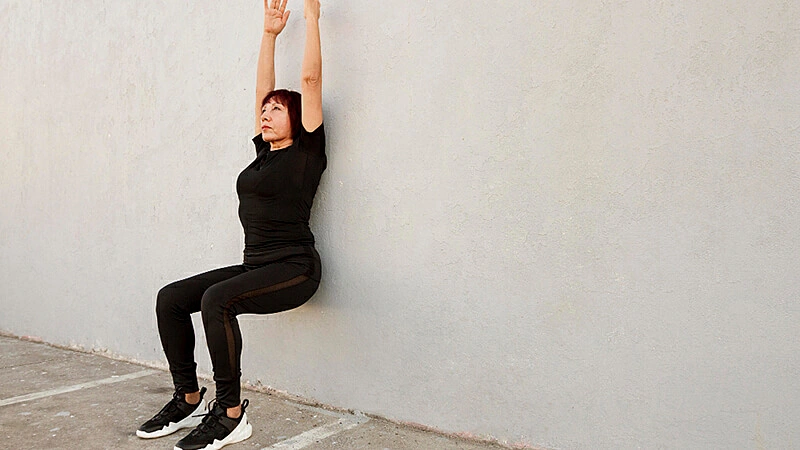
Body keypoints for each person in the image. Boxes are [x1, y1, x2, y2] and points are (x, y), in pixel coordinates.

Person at [136, 0, 325, 448]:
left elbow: (311, 81)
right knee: (171, 299)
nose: (266, 113)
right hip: (254, 265)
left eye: (277, 109)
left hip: (295, 268)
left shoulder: (307, 151)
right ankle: (187, 396)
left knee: (216, 300)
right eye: (265, 110)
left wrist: (312, 18)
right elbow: (261, 88)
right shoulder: (263, 154)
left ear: (298, 119)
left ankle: (230, 412)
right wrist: (269, 35)